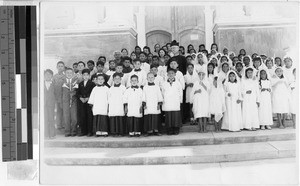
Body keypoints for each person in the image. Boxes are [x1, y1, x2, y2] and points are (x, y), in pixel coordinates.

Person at [162, 68, 183, 135]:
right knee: (168, 116)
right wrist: (163, 101)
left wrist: (180, 101)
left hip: (175, 101)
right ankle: (169, 129)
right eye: (169, 73)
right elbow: (162, 93)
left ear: (175, 74)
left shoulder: (178, 83)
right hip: (167, 102)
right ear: (167, 74)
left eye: (172, 73)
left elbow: (180, 93)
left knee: (175, 116)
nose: (171, 75)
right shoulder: (164, 84)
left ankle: (176, 129)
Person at [76, 69, 95, 136]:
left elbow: (93, 92)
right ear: (82, 76)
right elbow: (78, 92)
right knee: (82, 116)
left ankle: (90, 131)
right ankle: (83, 131)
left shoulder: (92, 84)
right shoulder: (80, 84)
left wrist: (88, 98)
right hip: (82, 102)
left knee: (89, 117)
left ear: (89, 76)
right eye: (84, 75)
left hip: (89, 102)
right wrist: (80, 97)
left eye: (87, 75)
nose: (85, 76)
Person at [62, 68, 78, 137]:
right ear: (65, 74)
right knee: (66, 117)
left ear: (73, 74)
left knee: (74, 117)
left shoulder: (76, 82)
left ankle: (73, 131)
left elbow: (77, 92)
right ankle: (67, 131)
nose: (69, 74)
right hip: (65, 102)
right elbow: (59, 92)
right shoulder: (62, 82)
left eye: (70, 73)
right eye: (67, 73)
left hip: (74, 102)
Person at [53, 61, 66, 130]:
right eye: (59, 66)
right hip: (57, 97)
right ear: (57, 67)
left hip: (64, 97)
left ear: (64, 67)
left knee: (64, 111)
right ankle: (58, 125)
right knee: (58, 111)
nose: (60, 67)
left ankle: (64, 124)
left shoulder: (66, 76)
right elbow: (54, 87)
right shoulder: (54, 77)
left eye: (62, 66)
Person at [44, 69, 56, 139]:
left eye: (49, 74)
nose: (47, 76)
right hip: (43, 104)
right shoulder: (41, 84)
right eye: (46, 74)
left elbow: (56, 94)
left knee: (51, 118)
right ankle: (45, 134)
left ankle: (52, 134)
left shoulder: (54, 84)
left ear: (52, 76)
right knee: (45, 119)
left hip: (51, 104)